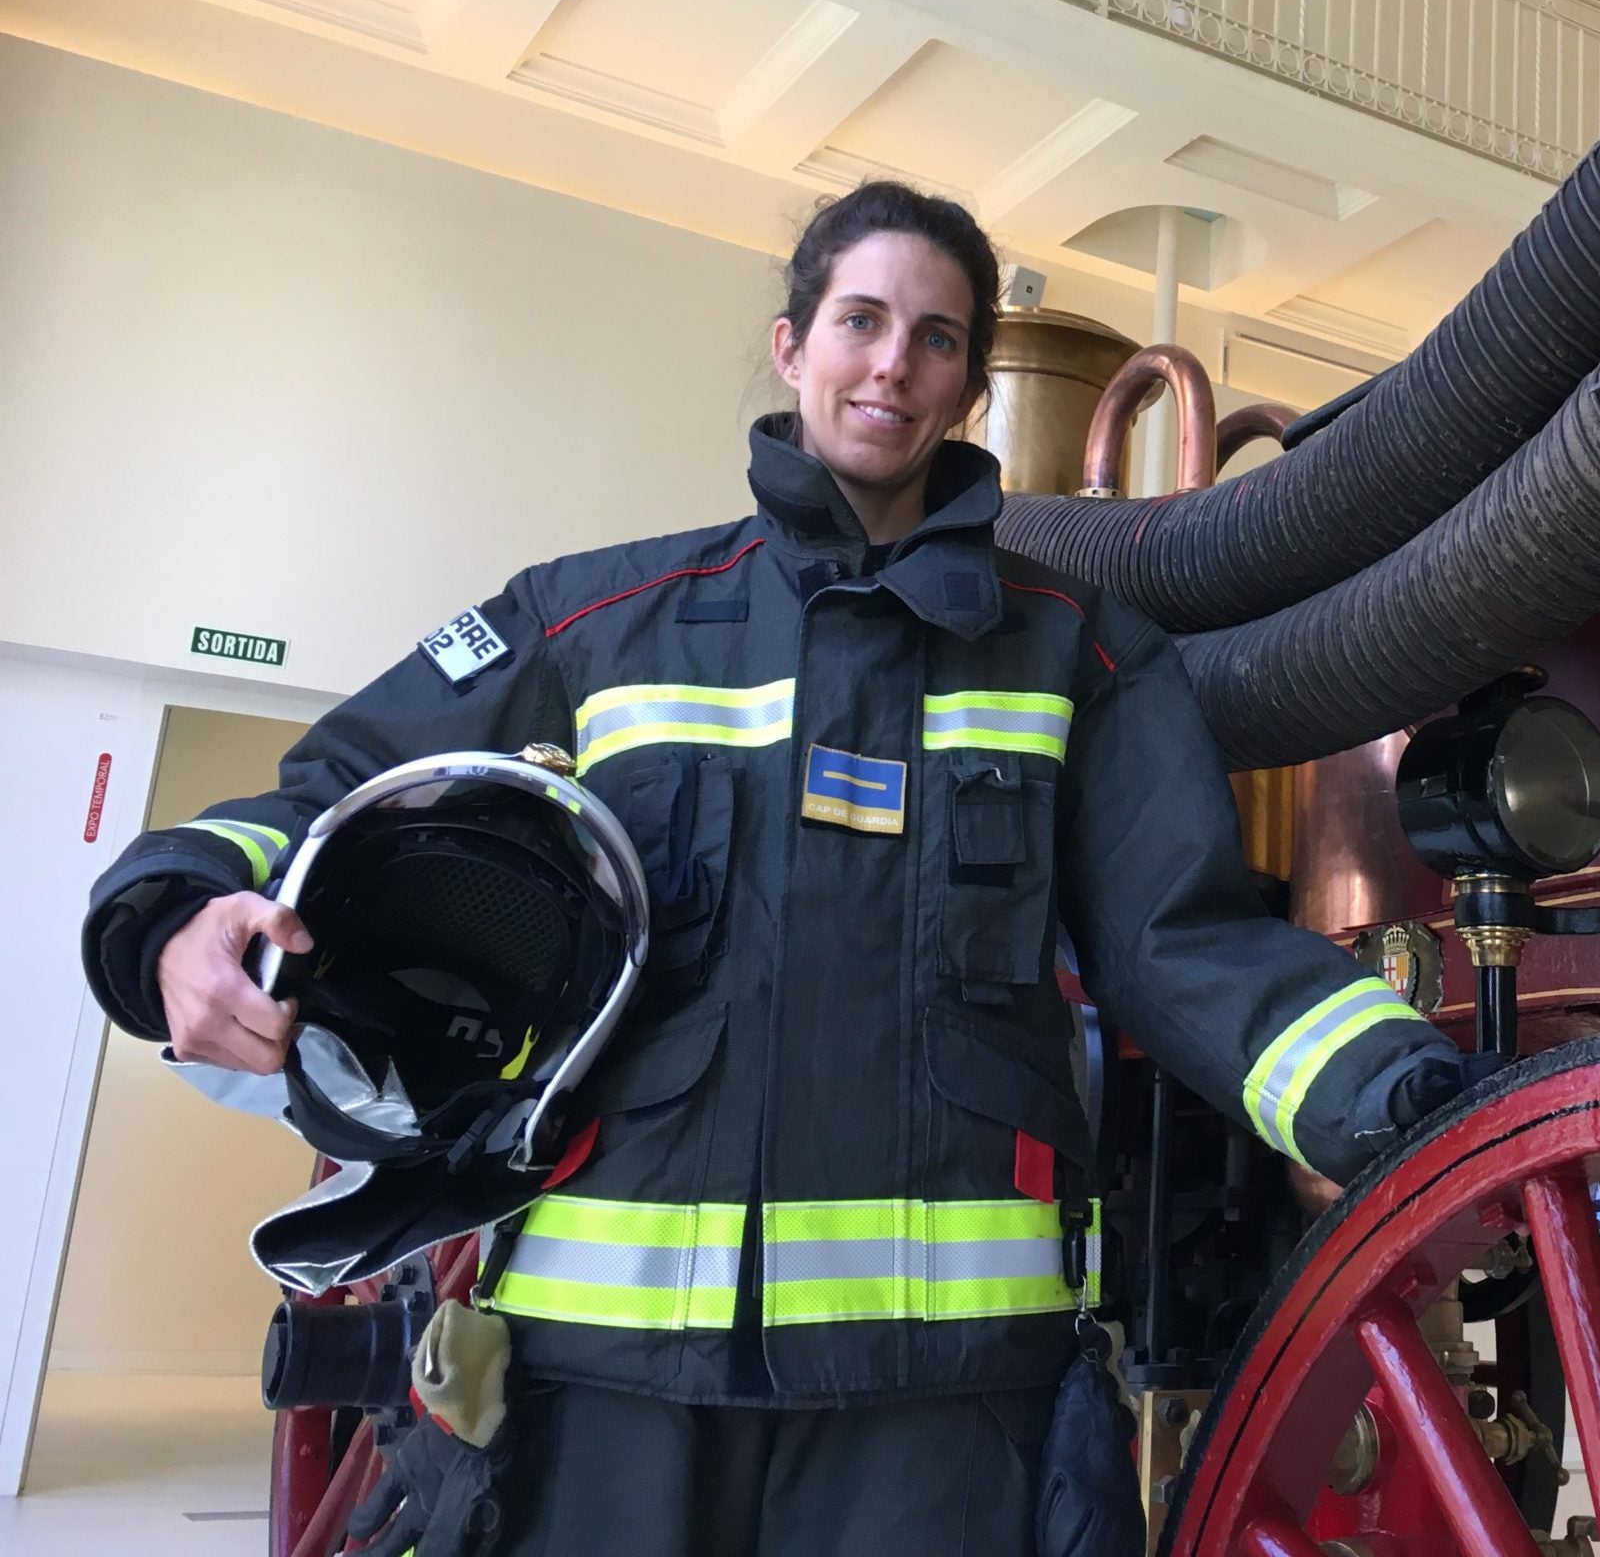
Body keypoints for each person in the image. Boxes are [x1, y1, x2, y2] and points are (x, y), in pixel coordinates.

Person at [81, 180, 1462, 1556]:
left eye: (935, 339)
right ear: (795, 344)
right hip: (604, 1390)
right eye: (861, 320)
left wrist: (1394, 1092)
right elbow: (337, 792)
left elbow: (1184, 945)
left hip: (941, 1406)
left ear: (969, 385)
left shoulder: (1080, 655)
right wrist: (175, 918)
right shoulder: (594, 623)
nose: (892, 365)